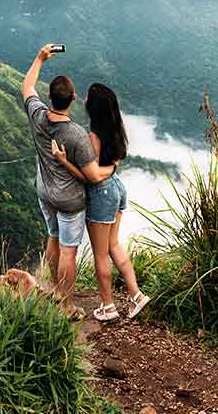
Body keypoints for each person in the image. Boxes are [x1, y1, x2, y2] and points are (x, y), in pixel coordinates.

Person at [21, 44, 114, 315]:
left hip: (44, 192)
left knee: (52, 237)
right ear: (73, 98)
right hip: (69, 200)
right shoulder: (76, 135)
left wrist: (39, 58)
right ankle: (66, 304)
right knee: (68, 251)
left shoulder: (37, 116)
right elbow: (94, 176)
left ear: (49, 96)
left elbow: (27, 87)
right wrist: (112, 169)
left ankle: (55, 290)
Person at [51, 83, 151, 322]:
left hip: (101, 195)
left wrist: (63, 161)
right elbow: (115, 162)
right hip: (117, 188)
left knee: (100, 254)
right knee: (114, 244)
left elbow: (90, 176)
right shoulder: (117, 130)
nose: (83, 99)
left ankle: (108, 306)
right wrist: (111, 169)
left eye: (87, 97)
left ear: (93, 107)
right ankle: (136, 295)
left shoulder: (93, 137)